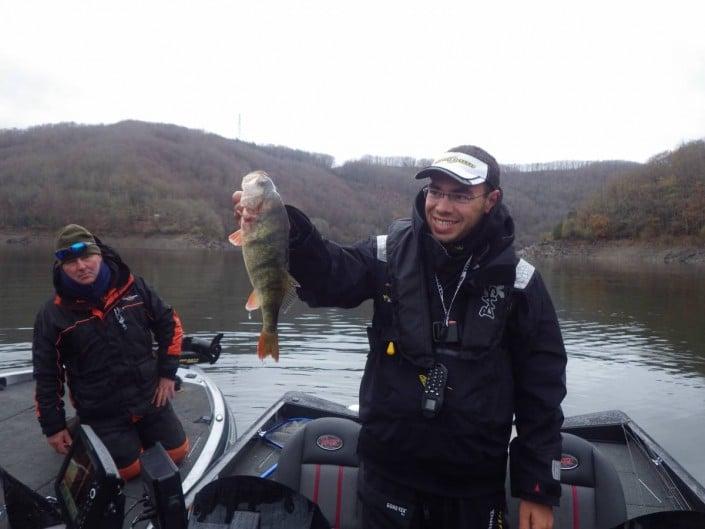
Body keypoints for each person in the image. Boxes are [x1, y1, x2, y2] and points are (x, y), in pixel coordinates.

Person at [233, 145, 567, 529]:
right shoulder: (386, 253)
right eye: (436, 192)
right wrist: (283, 228)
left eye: (460, 195)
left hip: (473, 488)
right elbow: (330, 276)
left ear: (491, 200)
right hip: (388, 477)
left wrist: (538, 489)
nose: (442, 206)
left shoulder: (521, 282)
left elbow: (542, 392)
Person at [32, 224, 189, 481]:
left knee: (177, 453)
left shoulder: (134, 287)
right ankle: (82, 429)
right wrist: (53, 427)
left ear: (100, 254)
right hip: (102, 411)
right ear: (61, 266)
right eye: (71, 261)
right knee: (127, 471)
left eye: (87, 257)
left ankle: (134, 432)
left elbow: (169, 323)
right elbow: (47, 374)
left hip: (149, 398)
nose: (81, 266)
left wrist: (168, 374)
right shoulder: (52, 314)